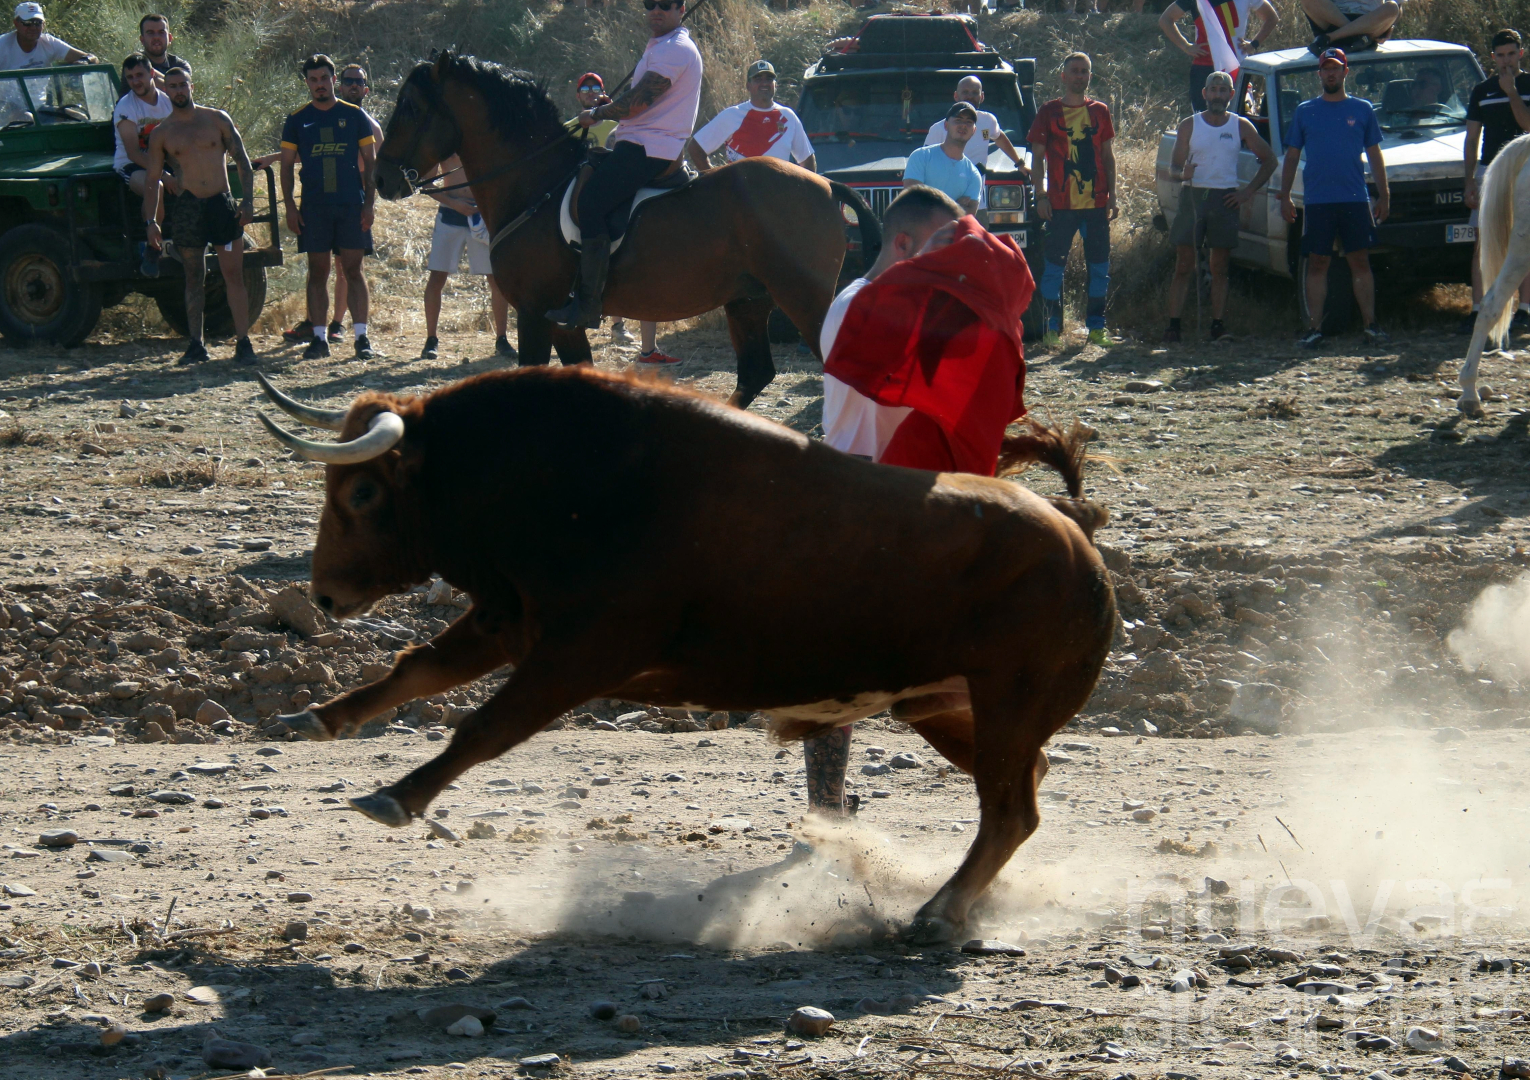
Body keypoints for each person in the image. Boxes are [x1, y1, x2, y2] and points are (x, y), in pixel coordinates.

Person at [806, 184, 1031, 814]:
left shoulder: (916, 303)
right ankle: (827, 810)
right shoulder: (860, 303)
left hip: (907, 498)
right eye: (942, 249)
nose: (954, 264)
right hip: (862, 497)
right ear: (903, 244)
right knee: (838, 671)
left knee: (886, 672)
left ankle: (1009, 772)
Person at [556, 0, 702, 330]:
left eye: (665, 4)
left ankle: (588, 304)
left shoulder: (675, 49)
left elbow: (638, 102)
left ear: (681, 9)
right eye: (650, 3)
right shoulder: (661, 46)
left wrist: (597, 113)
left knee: (590, 203)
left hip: (650, 148)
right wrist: (611, 107)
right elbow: (642, 103)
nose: (656, 10)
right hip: (641, 142)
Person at [141, 63, 257, 366]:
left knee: (233, 274)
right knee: (193, 277)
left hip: (221, 205)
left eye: (183, 85)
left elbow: (242, 161)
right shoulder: (162, 133)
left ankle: (243, 342)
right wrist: (151, 222)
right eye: (173, 86)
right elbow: (152, 180)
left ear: (191, 86)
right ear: (166, 90)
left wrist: (247, 202)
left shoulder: (216, 119)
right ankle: (196, 344)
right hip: (189, 209)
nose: (179, 91)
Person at [1278, 47, 1390, 347]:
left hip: (1354, 198)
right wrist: (1285, 196)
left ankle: (1371, 325)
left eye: (1336, 68)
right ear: (1319, 74)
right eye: (1326, 68)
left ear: (1345, 72)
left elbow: (1375, 154)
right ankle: (1314, 329)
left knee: (1360, 260)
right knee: (1317, 262)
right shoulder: (1305, 111)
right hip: (1318, 200)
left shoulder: (1362, 109)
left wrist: (1384, 195)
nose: (1331, 73)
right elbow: (1292, 156)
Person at [1163, 70, 1277, 342]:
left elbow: (1270, 160)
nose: (1217, 95)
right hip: (1193, 197)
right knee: (1184, 264)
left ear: (1231, 94)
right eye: (1213, 90)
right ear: (1204, 93)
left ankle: (1217, 325)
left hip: (1224, 199)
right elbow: (1173, 168)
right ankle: (1173, 326)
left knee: (1220, 266)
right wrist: (1182, 174)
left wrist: (1247, 192)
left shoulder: (1240, 125)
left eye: (1222, 90)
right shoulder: (1189, 125)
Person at [279, 54, 377, 361]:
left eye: (324, 78)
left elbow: (370, 161)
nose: (319, 84)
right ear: (307, 82)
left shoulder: (354, 115)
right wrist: (290, 207)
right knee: (317, 272)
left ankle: (361, 338)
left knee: (354, 270)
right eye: (313, 80)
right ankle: (319, 339)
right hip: (314, 207)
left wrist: (369, 204)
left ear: (334, 80)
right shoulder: (297, 119)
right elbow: (285, 167)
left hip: (351, 205)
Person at [1028, 51, 1117, 347]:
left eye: (1084, 71)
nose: (1080, 76)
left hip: (1096, 205)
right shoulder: (1049, 111)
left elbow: (1108, 157)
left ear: (1090, 76)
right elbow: (1037, 159)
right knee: (1053, 268)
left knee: (1099, 268)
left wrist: (1113, 196)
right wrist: (1040, 195)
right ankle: (1051, 328)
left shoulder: (1100, 111)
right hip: (1059, 206)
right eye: (1075, 71)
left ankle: (1097, 328)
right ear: (1063, 76)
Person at [569, 70, 646, 351]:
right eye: (585, 89)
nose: (591, 93)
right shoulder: (571, 127)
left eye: (596, 88)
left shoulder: (619, 123)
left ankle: (618, 323)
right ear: (577, 96)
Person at [1464, 30, 1530, 336]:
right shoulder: (1481, 90)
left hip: (1525, 170)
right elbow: (1471, 138)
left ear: (1521, 53)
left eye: (1511, 54)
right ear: (1493, 58)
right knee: (1483, 240)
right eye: (1501, 56)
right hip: (1489, 171)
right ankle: (1478, 308)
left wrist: (1512, 92)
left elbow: (1528, 126)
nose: (1507, 61)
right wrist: (1469, 181)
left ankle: (1524, 309)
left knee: (1525, 239)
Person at [419, 152, 513, 361]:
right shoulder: (445, 145)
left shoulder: (481, 141)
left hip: (481, 214)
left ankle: (502, 338)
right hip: (450, 214)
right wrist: (453, 204)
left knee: (495, 278)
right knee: (437, 276)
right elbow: (426, 184)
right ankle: (431, 339)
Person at [685, 59, 815, 173]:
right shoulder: (732, 115)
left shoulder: (788, 117)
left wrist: (804, 190)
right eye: (758, 79)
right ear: (748, 85)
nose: (764, 83)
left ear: (775, 85)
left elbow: (807, 159)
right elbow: (696, 149)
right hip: (740, 192)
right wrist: (716, 183)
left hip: (778, 192)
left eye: (769, 79)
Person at [921, 75, 1030, 202]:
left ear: (982, 96)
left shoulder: (988, 121)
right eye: (965, 92)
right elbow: (924, 163)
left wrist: (1020, 164)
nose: (970, 96)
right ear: (956, 96)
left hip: (977, 202)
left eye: (974, 92)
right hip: (946, 203)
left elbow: (999, 137)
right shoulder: (939, 129)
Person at [1158, 0, 1278, 113]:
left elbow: (1271, 17)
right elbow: (1166, 19)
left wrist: (1254, 44)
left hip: (1236, 67)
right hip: (1204, 67)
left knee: (1239, 118)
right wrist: (1186, 46)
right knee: (1203, 119)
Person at [902, 101, 982, 214]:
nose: (963, 125)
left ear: (974, 130)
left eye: (969, 122)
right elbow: (914, 202)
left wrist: (929, 200)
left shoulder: (973, 174)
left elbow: (969, 215)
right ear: (946, 125)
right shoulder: (921, 156)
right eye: (958, 120)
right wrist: (955, 206)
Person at [113, 54, 173, 201]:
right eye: (130, 77)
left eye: (139, 75)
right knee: (155, 186)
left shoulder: (168, 101)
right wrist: (164, 174)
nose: (135, 81)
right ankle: (152, 217)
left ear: (152, 73)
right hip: (133, 164)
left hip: (166, 160)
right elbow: (134, 153)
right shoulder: (125, 107)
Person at [0, 2, 92, 69]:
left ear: (43, 25)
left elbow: (92, 58)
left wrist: (85, 61)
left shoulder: (49, 43)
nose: (33, 27)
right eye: (27, 23)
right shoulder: (2, 45)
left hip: (41, 92)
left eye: (38, 23)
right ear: (16, 24)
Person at [1302, 0, 1402, 56]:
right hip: (1336, 18)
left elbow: (1398, 6)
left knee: (1392, 8)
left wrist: (1390, 25)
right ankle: (1358, 37)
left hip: (1370, 21)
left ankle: (1330, 38)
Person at [137, 12, 187, 83]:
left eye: (161, 32)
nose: (156, 37)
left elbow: (181, 89)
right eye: (150, 33)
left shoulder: (181, 66)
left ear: (170, 38)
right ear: (142, 40)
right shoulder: (133, 64)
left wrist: (146, 72)